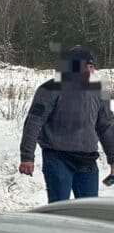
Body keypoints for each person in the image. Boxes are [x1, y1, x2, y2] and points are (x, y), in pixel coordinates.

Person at [19, 46, 114, 203]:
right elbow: (34, 122)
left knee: (88, 211)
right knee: (60, 208)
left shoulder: (99, 90)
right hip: (57, 157)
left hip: (87, 160)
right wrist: (27, 156)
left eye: (92, 67)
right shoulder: (50, 89)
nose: (91, 71)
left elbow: (107, 125)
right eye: (87, 67)